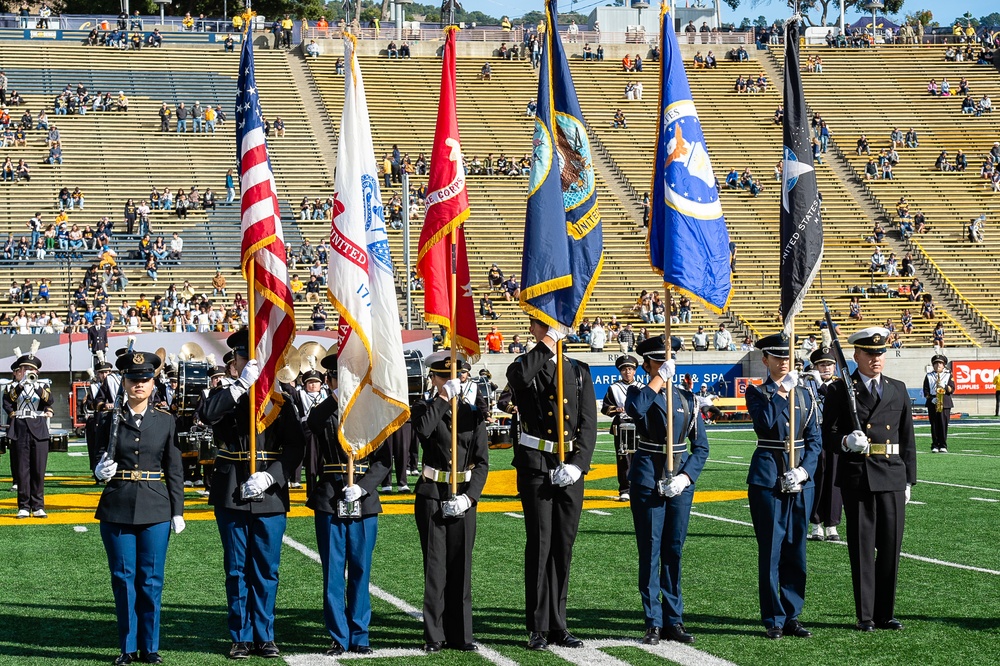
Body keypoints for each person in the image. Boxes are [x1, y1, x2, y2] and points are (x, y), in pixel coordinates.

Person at [197, 329, 305, 659]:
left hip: (268, 494)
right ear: (235, 364)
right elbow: (206, 415)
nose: (251, 363)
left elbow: (296, 446)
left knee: (266, 569)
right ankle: (240, 636)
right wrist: (242, 386)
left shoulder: (280, 400)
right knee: (237, 568)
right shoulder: (225, 394)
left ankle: (265, 634)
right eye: (244, 359)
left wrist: (271, 478)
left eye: (255, 358)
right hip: (231, 489)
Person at [505, 319, 596, 651]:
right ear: (534, 330)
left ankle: (559, 623)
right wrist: (546, 345)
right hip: (538, 466)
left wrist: (578, 465)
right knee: (541, 544)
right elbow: (518, 379)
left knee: (563, 545)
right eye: (542, 326)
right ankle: (538, 626)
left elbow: (587, 423)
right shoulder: (525, 365)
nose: (549, 330)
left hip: (569, 467)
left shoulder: (580, 370)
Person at [92, 349, 184, 666]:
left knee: (151, 580)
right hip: (117, 503)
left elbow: (174, 469)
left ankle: (151, 646)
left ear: (152, 382)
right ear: (125, 383)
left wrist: (178, 510)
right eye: (133, 380)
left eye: (144, 379)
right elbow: (98, 460)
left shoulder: (165, 422)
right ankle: (128, 647)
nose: (139, 385)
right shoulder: (108, 420)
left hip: (156, 506)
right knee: (123, 578)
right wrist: (98, 471)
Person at [822, 327, 916, 632]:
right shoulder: (840, 390)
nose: (877, 359)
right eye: (871, 353)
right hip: (859, 475)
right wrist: (847, 442)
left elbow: (907, 438)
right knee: (862, 548)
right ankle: (865, 616)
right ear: (856, 355)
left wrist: (909, 481)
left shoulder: (897, 388)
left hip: (891, 473)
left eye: (881, 353)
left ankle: (885, 613)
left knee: (890, 547)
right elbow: (828, 435)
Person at [305, 350, 390, 656]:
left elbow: (384, 462)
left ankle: (360, 633)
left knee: (360, 570)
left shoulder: (374, 411)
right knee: (333, 572)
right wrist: (336, 396)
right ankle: (338, 636)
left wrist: (364, 488)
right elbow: (313, 423)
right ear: (331, 380)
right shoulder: (326, 409)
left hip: (363, 502)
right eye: (339, 376)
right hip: (330, 497)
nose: (347, 381)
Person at [624, 336, 708, 645]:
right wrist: (659, 378)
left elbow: (701, 447)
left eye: (667, 361)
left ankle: (674, 619)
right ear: (646, 364)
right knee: (650, 550)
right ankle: (653, 621)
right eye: (657, 361)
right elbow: (635, 410)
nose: (664, 365)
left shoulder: (687, 398)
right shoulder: (639, 392)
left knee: (673, 550)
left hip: (679, 481)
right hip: (649, 477)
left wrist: (686, 477)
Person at [410, 351, 490, 652]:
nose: (450, 381)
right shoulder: (422, 407)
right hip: (432, 494)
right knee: (435, 568)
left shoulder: (471, 414)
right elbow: (422, 431)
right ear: (433, 378)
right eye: (443, 377)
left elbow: (482, 462)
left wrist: (470, 498)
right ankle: (434, 635)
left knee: (461, 567)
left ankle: (461, 634)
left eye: (455, 376)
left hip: (463, 497)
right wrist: (442, 398)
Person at [744, 332, 821, 640]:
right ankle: (773, 616)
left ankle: (793, 614)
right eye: (776, 357)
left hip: (800, 479)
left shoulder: (805, 394)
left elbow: (815, 439)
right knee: (772, 550)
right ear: (766, 360)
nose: (783, 361)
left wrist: (804, 471)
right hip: (768, 478)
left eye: (786, 356)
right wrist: (781, 391)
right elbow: (764, 423)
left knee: (796, 549)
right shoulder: (758, 392)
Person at [5, 342, 54, 518]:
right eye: (25, 368)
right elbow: (9, 401)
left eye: (31, 369)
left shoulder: (43, 385)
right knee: (22, 470)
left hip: (38, 429)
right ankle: (24, 506)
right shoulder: (12, 387)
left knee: (38, 469)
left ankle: (38, 505)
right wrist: (21, 385)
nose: (27, 371)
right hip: (20, 428)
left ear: (37, 371)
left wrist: (36, 385)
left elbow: (49, 400)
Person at [805, 346, 843, 542]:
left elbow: (833, 399)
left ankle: (832, 525)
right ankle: (815, 524)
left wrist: (820, 384)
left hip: (834, 437)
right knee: (815, 480)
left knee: (834, 482)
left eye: (829, 364)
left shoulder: (840, 386)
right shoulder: (806, 385)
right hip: (812, 437)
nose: (826, 368)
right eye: (821, 365)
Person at [601, 355, 643, 502]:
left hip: (639, 426)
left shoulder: (642, 387)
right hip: (621, 426)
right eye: (624, 369)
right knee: (623, 458)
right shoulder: (614, 387)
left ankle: (639, 487)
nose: (627, 372)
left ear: (635, 371)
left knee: (640, 457)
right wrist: (616, 409)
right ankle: (625, 489)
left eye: (630, 369)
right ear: (620, 372)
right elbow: (605, 408)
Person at [922, 353, 955, 453]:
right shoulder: (929, 376)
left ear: (944, 364)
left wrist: (944, 386)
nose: (938, 365)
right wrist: (930, 398)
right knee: (934, 424)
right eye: (936, 364)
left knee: (943, 424)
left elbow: (952, 389)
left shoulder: (948, 375)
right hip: (933, 401)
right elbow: (925, 390)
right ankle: (935, 445)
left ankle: (943, 444)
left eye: (940, 363)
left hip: (945, 402)